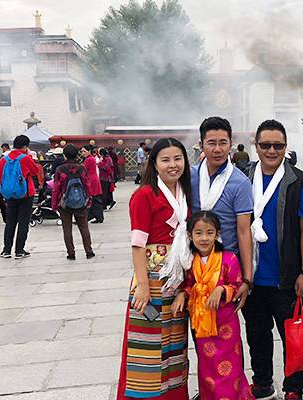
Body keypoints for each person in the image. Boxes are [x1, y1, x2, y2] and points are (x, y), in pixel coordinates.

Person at [243, 120, 303, 400]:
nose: (272, 150)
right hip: (252, 277)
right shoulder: (243, 176)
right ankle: (262, 384)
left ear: (286, 147)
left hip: (287, 276)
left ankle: (294, 388)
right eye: (266, 145)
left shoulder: (298, 180)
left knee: (293, 339)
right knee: (257, 335)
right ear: (256, 146)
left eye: (278, 145)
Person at [117, 138, 192, 400]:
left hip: (177, 280)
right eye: (166, 160)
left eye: (177, 159)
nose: (173, 165)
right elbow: (138, 245)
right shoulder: (145, 195)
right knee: (147, 348)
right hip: (151, 279)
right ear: (155, 164)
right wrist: (143, 285)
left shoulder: (185, 194)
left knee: (174, 345)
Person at [171, 211, 254, 400]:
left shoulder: (228, 258)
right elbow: (189, 285)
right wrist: (182, 295)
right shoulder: (190, 262)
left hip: (225, 326)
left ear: (217, 234)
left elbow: (237, 284)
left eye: (209, 232)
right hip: (202, 325)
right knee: (207, 367)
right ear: (190, 236)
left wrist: (221, 290)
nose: (204, 238)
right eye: (198, 233)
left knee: (230, 368)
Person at [190, 116, 254, 312]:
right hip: (195, 266)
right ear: (201, 145)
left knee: (227, 332)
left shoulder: (240, 182)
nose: (217, 149)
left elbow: (243, 231)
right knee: (199, 330)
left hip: (226, 268)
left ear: (231, 144)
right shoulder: (190, 176)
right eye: (211, 143)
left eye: (222, 143)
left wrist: (247, 279)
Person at [0, 135, 42, 259]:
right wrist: (28, 156)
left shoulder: (4, 159)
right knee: (23, 222)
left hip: (9, 194)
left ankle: (6, 250)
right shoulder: (25, 158)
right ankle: (19, 250)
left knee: (10, 222)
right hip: (25, 194)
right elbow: (35, 171)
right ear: (25, 146)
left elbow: (0, 177)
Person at [51, 144, 96, 260]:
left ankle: (71, 253)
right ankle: (89, 251)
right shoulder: (81, 168)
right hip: (81, 202)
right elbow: (87, 184)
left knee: (67, 228)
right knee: (84, 227)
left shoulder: (60, 169)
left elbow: (56, 188)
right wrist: (89, 198)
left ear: (64, 156)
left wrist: (54, 204)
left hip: (64, 203)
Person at [81, 145, 104, 223]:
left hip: (91, 181)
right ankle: (97, 216)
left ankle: (95, 216)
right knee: (95, 200)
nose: (83, 153)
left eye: (84, 151)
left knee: (94, 199)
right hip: (93, 179)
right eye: (82, 151)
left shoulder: (88, 159)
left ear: (89, 151)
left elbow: (84, 170)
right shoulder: (90, 158)